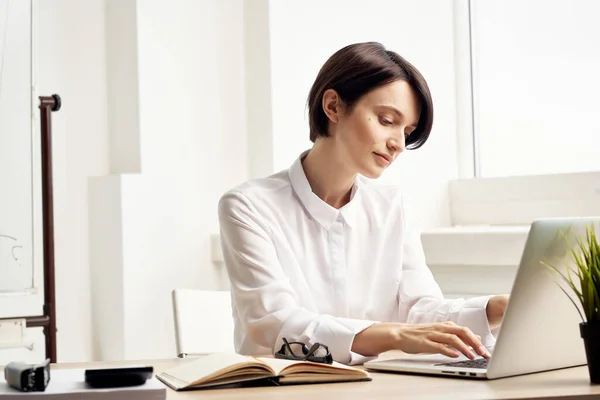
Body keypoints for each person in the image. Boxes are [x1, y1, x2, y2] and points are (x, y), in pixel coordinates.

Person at [218, 42, 509, 365]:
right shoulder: (248, 206)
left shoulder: (392, 205)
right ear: (333, 107)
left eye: (407, 130)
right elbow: (272, 324)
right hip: (284, 388)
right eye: (386, 120)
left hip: (376, 386)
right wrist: (394, 335)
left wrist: (495, 308)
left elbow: (420, 311)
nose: (398, 143)